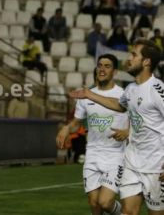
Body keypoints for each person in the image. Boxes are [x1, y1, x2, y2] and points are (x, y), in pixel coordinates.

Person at [69, 38, 164, 214]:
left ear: (146, 61)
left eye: (134, 55)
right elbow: (119, 105)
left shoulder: (158, 89)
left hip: (155, 165)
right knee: (128, 212)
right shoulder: (131, 89)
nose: (128, 58)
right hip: (132, 162)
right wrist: (90, 94)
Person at [57, 54, 129, 215]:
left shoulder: (124, 94)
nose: (102, 69)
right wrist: (66, 128)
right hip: (92, 156)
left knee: (105, 202)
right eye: (100, 65)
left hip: (116, 156)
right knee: (95, 206)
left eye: (107, 66)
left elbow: (136, 122)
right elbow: (77, 123)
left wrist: (127, 131)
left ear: (115, 72)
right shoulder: (84, 97)